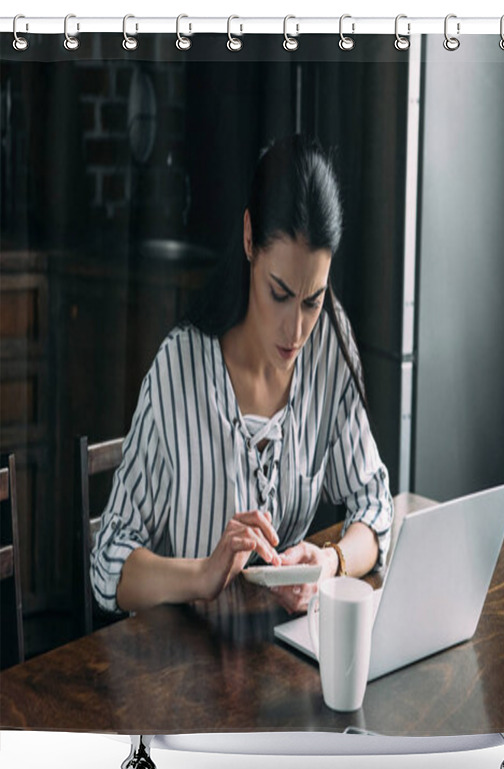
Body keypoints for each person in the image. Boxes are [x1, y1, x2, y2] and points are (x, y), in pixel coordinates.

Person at [90, 134, 393, 616]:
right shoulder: (180, 369)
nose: (296, 331)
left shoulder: (329, 350)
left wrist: (329, 562)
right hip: (176, 672)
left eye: (312, 301)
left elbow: (375, 510)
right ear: (250, 238)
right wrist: (203, 576)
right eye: (279, 293)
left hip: (278, 664)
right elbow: (108, 563)